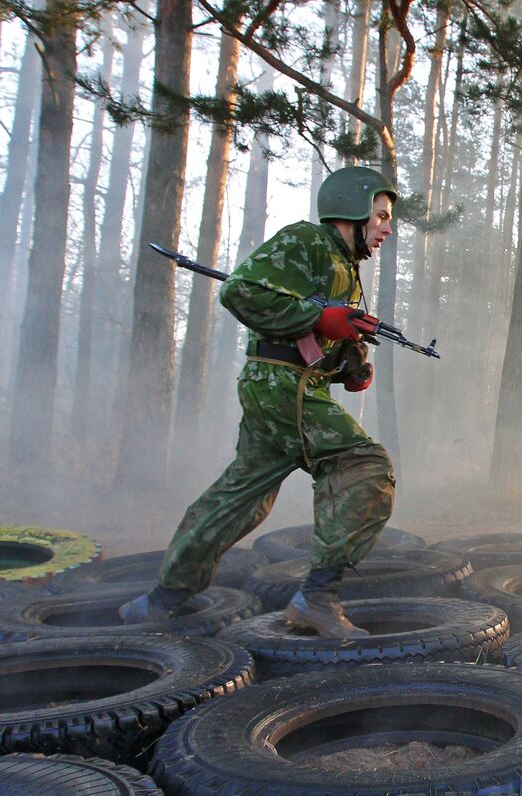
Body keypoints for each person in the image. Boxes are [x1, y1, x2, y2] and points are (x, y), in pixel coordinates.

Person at [119, 166, 401, 638]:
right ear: (352, 212)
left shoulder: (346, 272)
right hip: (281, 384)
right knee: (363, 465)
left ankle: (161, 600)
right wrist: (319, 316)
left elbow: (322, 338)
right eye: (381, 216)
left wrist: (351, 364)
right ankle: (316, 598)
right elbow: (242, 291)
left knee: (241, 495)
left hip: (286, 385)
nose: (387, 228)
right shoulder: (308, 241)